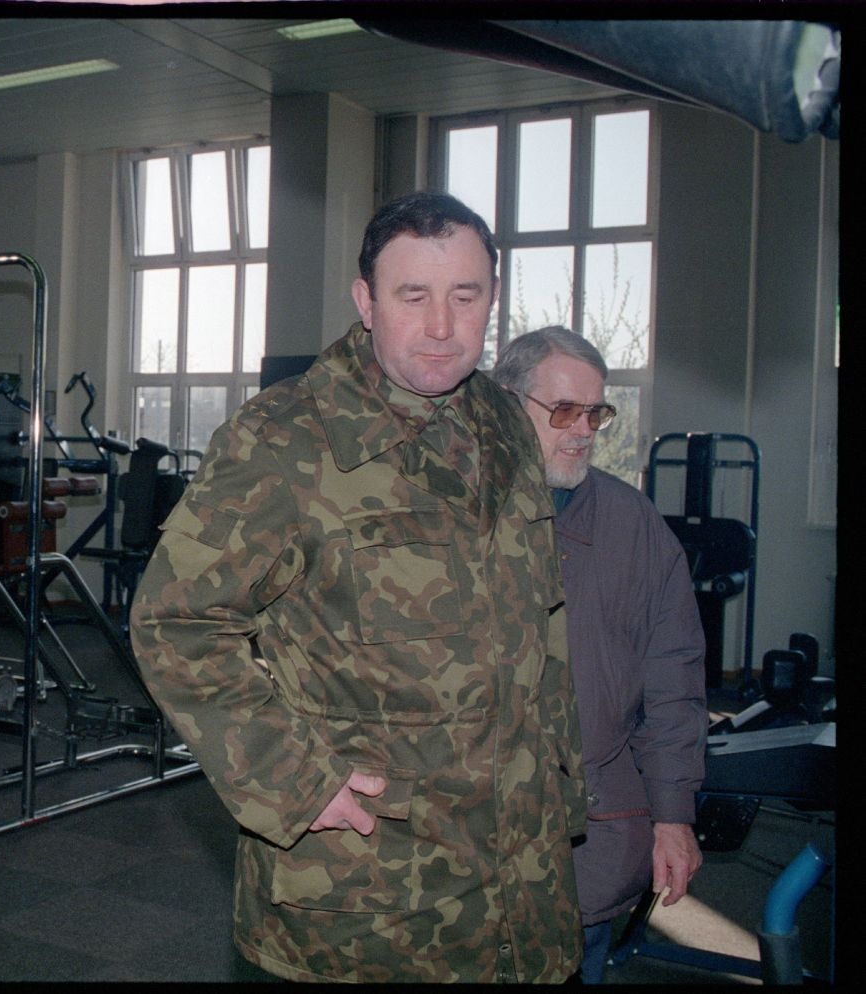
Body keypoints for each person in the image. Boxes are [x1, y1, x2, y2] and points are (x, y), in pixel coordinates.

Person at [128, 191, 586, 983]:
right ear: (366, 302)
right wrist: (293, 779)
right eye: (413, 296)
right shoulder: (284, 440)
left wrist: (564, 791)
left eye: (465, 296)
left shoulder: (508, 426)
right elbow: (176, 623)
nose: (442, 325)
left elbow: (538, 628)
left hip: (521, 887)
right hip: (368, 901)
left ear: (492, 302)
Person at [490, 326, 706, 982]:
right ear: (504, 405)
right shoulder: (445, 514)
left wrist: (674, 814)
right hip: (461, 836)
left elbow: (673, 679)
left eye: (596, 412)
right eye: (564, 411)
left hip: (588, 833)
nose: (584, 429)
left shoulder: (635, 528)